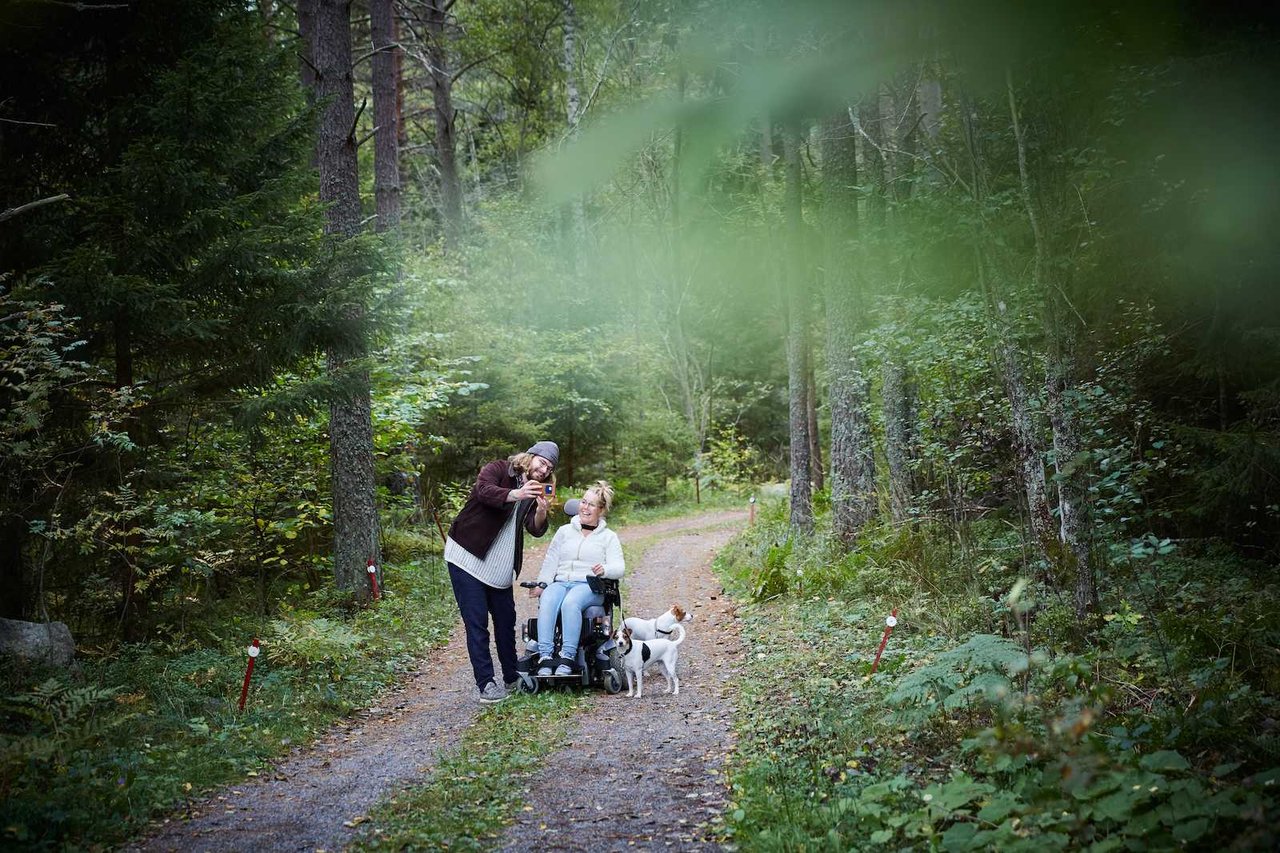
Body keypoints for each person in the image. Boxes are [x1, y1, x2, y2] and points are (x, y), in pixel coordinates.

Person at [445, 441, 557, 703]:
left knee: (506, 622)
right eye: (542, 463)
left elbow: (535, 528)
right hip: (467, 556)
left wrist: (541, 510)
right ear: (530, 457)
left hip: (500, 566)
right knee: (477, 624)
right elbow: (483, 491)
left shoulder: (534, 491)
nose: (543, 470)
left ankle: (511, 676)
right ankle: (486, 684)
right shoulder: (498, 469)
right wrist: (516, 494)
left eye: (549, 468)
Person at [529, 481, 624, 676]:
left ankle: (567, 657)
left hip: (589, 586)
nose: (585, 507)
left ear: (601, 510)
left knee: (570, 603)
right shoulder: (564, 531)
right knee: (547, 598)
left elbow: (619, 567)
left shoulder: (608, 537)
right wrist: (542, 583)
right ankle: (545, 656)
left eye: (591, 504)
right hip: (562, 582)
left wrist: (604, 569)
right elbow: (551, 560)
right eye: (583, 502)